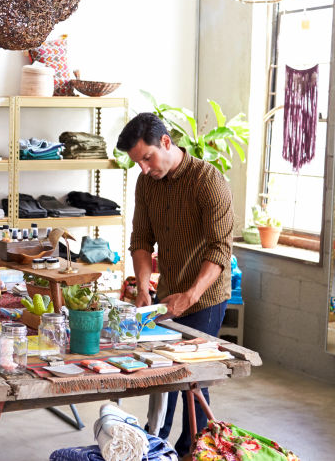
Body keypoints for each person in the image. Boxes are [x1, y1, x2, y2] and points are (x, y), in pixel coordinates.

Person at [117, 112, 233, 457]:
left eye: (147, 157)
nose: (143, 168)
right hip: (167, 293)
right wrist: (142, 287)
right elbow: (141, 238)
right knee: (163, 370)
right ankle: (158, 443)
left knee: (192, 377)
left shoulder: (208, 181)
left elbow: (220, 249)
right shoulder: (147, 183)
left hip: (205, 295)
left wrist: (192, 295)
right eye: (138, 162)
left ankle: (194, 448)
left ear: (166, 142)